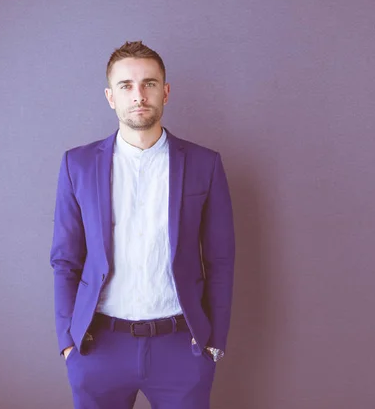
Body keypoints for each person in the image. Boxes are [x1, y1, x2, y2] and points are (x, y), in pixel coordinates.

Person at [49, 41, 236, 409]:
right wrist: (67, 342)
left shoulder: (204, 164)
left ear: (165, 92)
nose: (138, 95)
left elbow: (221, 259)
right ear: (110, 97)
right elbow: (65, 260)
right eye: (126, 86)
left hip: (181, 345)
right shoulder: (78, 165)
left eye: (149, 84)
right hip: (98, 345)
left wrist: (214, 342)